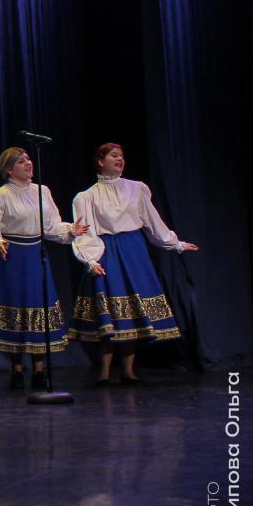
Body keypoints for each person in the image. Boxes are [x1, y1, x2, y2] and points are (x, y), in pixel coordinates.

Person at [69, 143, 198, 385]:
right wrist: (90, 260)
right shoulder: (86, 196)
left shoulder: (137, 189)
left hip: (133, 251)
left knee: (133, 311)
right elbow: (84, 232)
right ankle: (105, 372)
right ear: (100, 161)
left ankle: (128, 371)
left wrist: (175, 243)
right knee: (110, 314)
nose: (120, 160)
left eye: (122, 156)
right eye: (114, 156)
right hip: (106, 250)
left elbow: (152, 221)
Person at [0, 147, 89, 389]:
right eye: (21, 161)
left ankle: (39, 370)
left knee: (38, 309)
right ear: (9, 169)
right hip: (12, 257)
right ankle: (17, 369)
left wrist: (70, 230)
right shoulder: (0, 196)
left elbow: (52, 227)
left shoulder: (42, 191)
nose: (28, 163)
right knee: (16, 310)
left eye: (28, 159)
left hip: (36, 254)